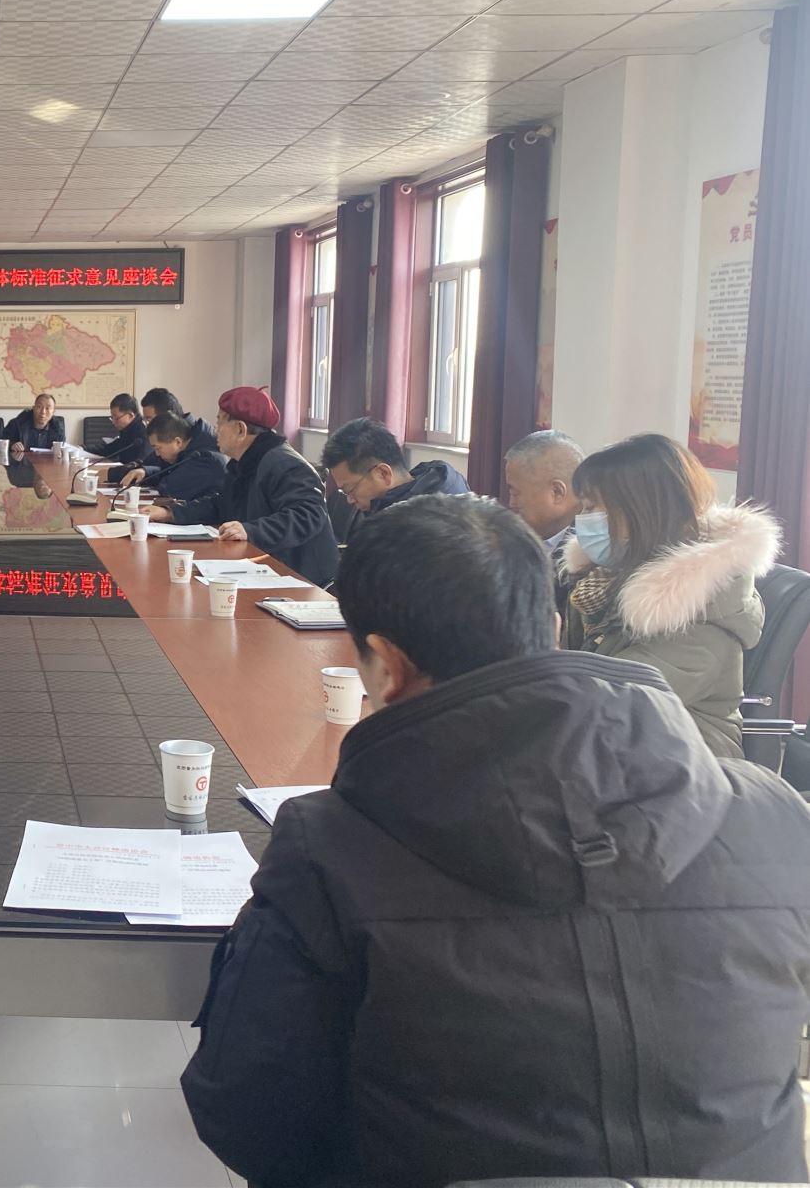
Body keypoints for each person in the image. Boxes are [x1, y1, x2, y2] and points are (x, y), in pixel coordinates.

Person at [182, 493, 810, 1188]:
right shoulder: (774, 814)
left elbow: (245, 1110)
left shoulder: (329, 843)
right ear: (553, 627)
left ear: (384, 665)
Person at [562, 433, 776, 760]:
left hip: (689, 765)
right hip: (621, 749)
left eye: (591, 507)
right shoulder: (603, 581)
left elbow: (621, 698)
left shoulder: (703, 604)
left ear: (639, 509)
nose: (582, 520)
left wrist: (543, 667)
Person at [147, 388, 338, 587]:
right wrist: (170, 513)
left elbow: (308, 514)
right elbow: (220, 504)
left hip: (302, 578)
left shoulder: (285, 464)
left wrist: (250, 531)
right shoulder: (244, 462)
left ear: (240, 429)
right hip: (261, 566)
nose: (215, 430)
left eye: (220, 422)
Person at [505, 429, 586, 612]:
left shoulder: (590, 555)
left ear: (556, 492)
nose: (511, 503)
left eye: (515, 492)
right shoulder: (515, 535)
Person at [322, 416, 470, 516]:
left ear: (383, 473)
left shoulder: (417, 524)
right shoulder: (434, 483)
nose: (350, 500)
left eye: (350, 490)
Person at [115, 413, 226, 502]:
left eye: (158, 448)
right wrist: (145, 471)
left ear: (177, 442)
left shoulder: (205, 458)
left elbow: (169, 488)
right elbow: (169, 472)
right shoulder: (187, 449)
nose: (157, 454)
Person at [83, 393, 148, 464]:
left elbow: (140, 463)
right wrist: (83, 448)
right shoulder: (128, 430)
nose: (113, 422)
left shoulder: (144, 434)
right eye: (112, 417)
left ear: (130, 415)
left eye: (116, 418)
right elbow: (110, 449)